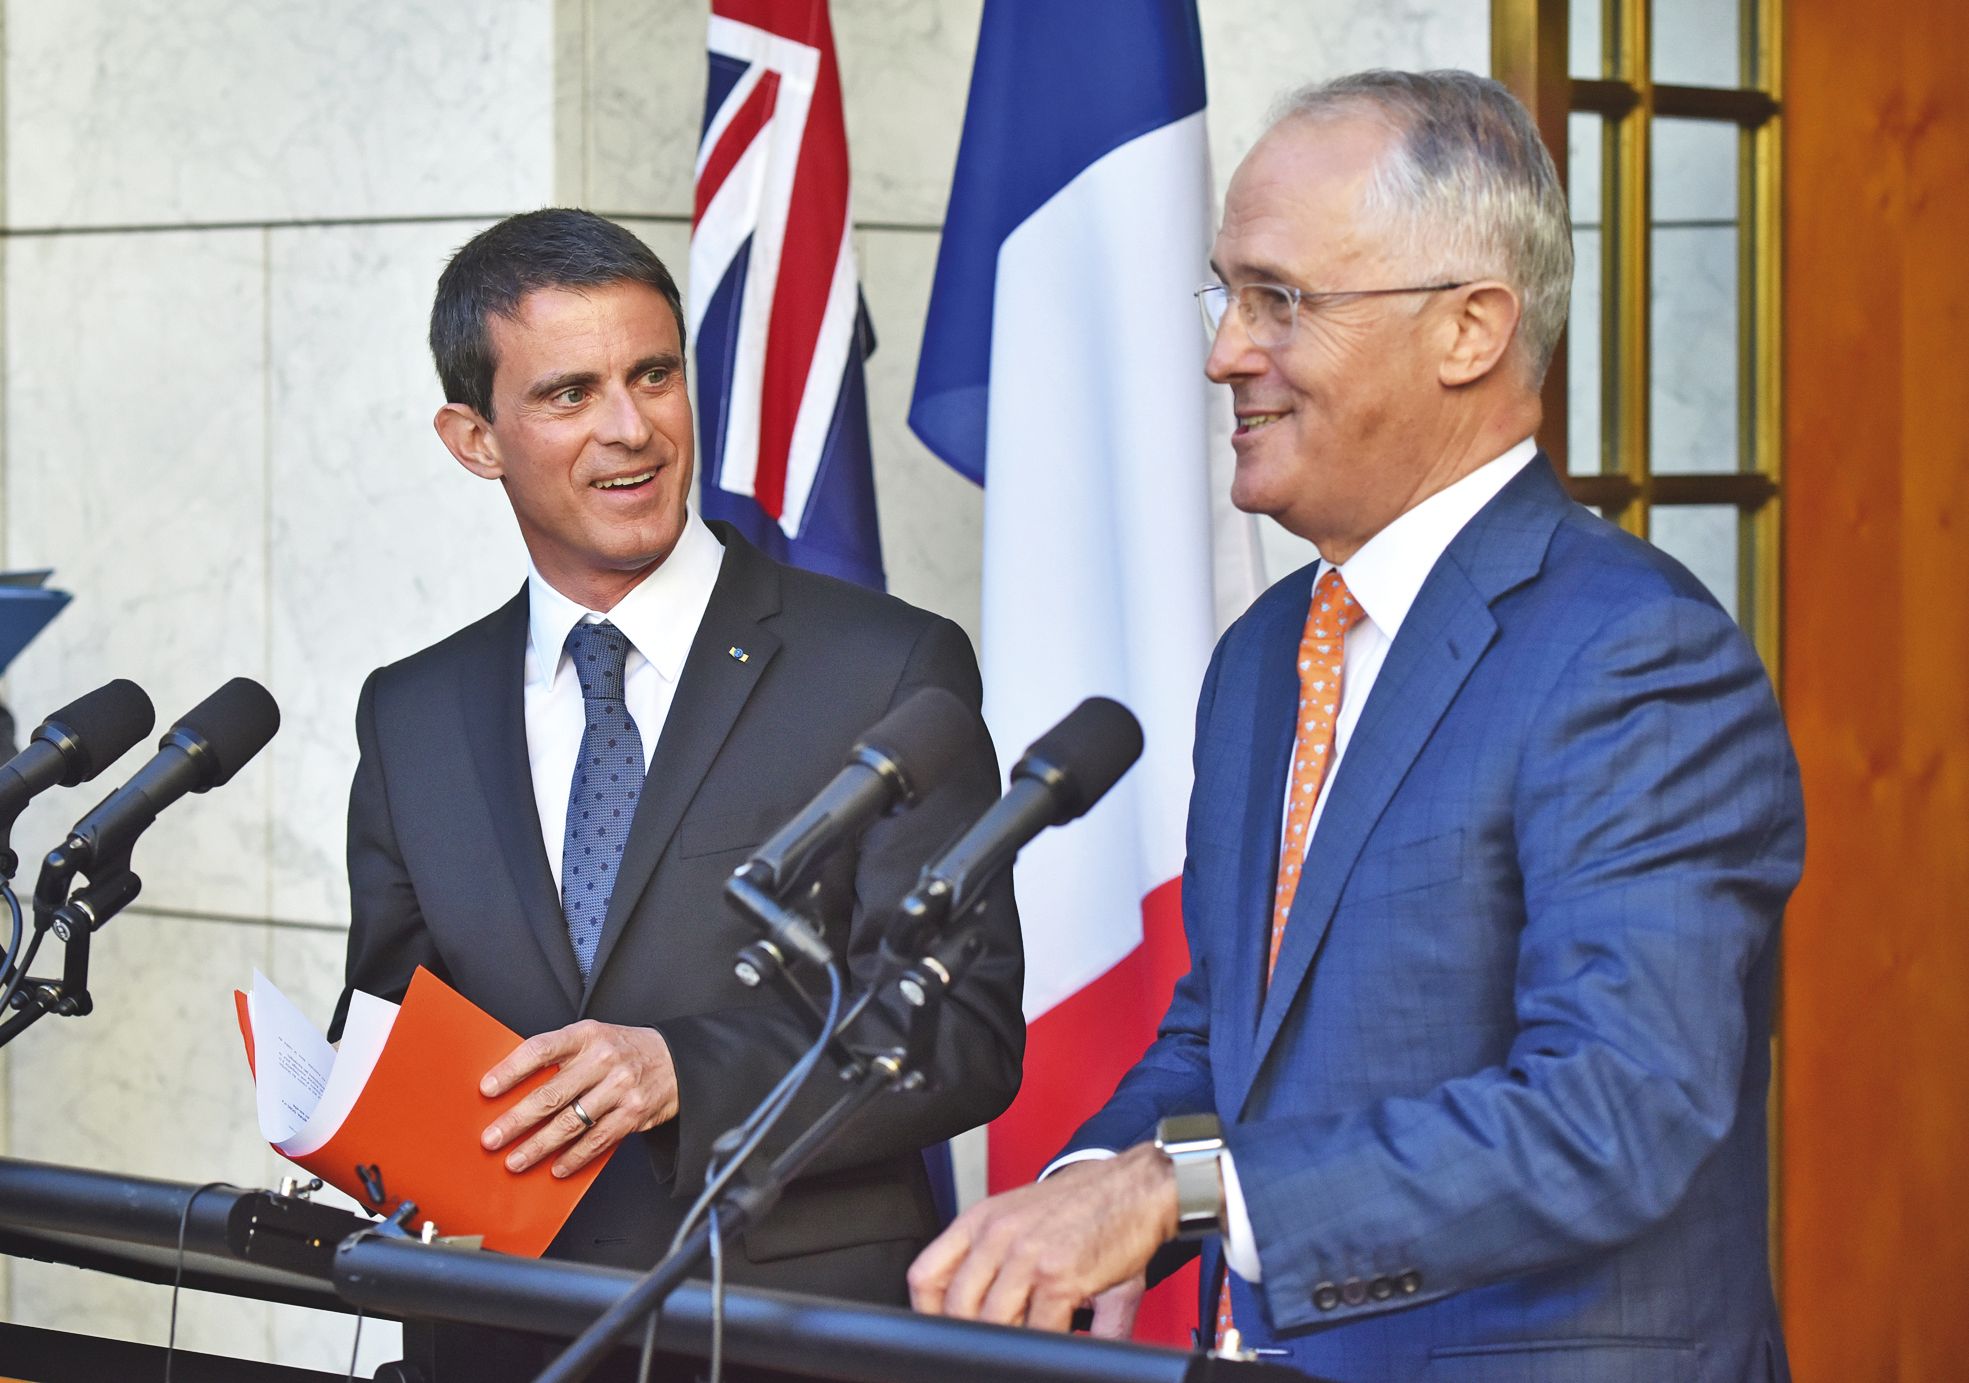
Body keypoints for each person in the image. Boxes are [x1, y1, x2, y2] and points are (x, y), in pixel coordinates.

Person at [908, 70, 1802, 1383]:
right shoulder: (1268, 653)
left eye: (1282, 299)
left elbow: (1618, 1107)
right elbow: (1228, 1033)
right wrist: (1096, 1182)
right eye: (1227, 295)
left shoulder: (1632, 656)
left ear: (1468, 330)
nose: (1223, 352)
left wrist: (1178, 1188)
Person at [334, 210, 1023, 1348]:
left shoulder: (890, 667)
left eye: (653, 375)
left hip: (785, 1336)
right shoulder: (412, 712)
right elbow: (393, 1027)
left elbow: (961, 1033)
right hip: (495, 1341)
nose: (629, 429)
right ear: (474, 438)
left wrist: (678, 1072)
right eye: (567, 394)